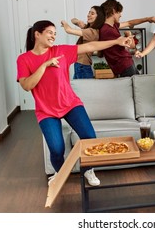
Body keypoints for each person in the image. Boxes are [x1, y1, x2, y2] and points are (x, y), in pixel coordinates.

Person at [16, 20, 132, 186]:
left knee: (89, 137)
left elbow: (91, 46)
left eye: (55, 33)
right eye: (50, 32)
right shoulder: (24, 59)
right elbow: (27, 86)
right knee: (57, 149)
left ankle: (88, 171)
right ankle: (60, 173)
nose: (53, 36)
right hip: (46, 111)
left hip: (70, 104)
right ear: (37, 34)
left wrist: (116, 41)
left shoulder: (61, 51)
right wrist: (44, 65)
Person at [99, 0, 155, 77]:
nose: (120, 15)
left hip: (126, 65)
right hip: (125, 67)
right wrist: (129, 34)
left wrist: (147, 19)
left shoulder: (113, 26)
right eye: (119, 12)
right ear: (113, 11)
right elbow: (132, 46)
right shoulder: (108, 30)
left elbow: (129, 23)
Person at [61, 6, 105, 79]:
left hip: (83, 66)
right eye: (89, 12)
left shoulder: (92, 32)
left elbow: (69, 30)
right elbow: (73, 20)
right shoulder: (88, 29)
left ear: (98, 17)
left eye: (92, 13)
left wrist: (64, 22)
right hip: (80, 65)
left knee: (84, 89)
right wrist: (78, 22)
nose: (89, 15)